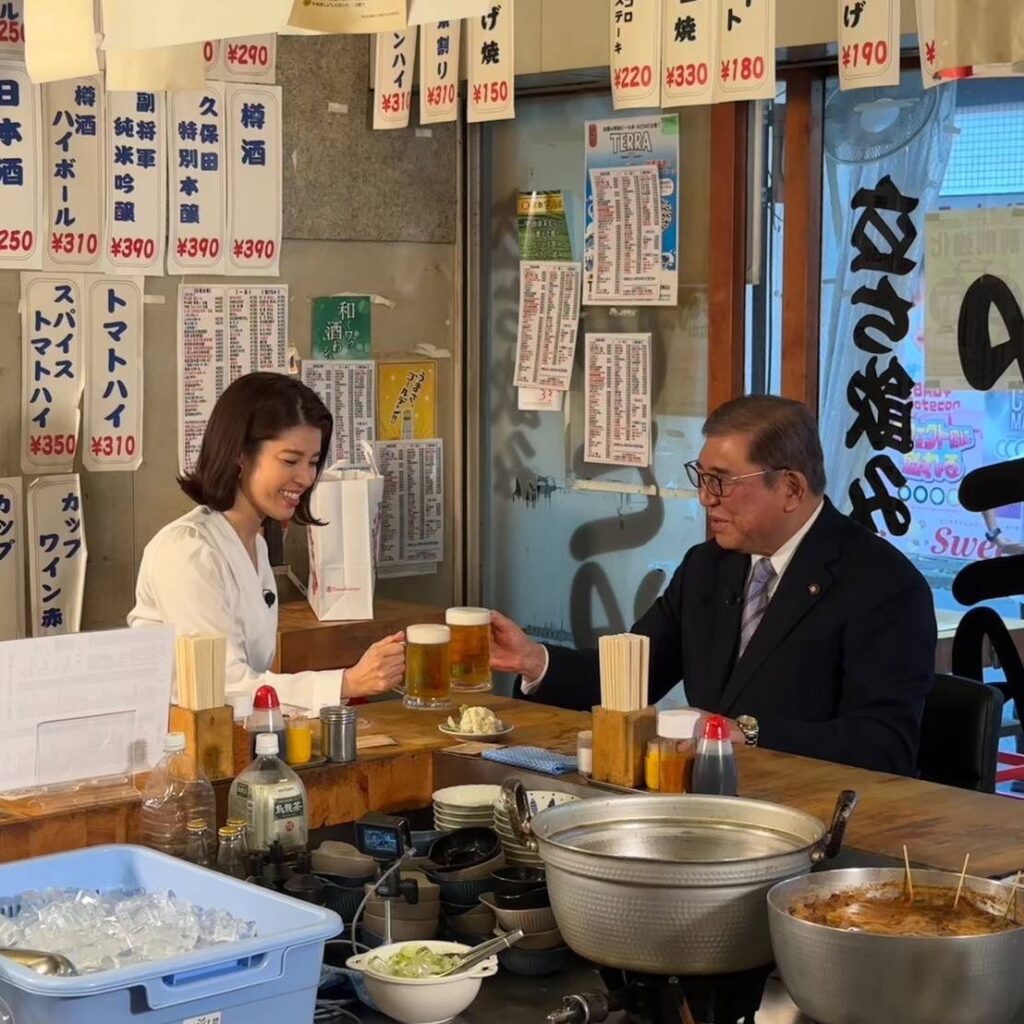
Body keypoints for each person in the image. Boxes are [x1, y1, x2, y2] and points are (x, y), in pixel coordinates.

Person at [491, 396, 938, 776]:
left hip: (816, 813)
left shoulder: (883, 585)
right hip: (707, 803)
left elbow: (885, 745)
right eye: (702, 477)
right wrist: (534, 661)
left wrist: (748, 733)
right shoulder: (708, 566)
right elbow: (632, 676)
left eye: (721, 481)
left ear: (791, 489)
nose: (705, 497)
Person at [129, 372, 405, 711]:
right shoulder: (186, 550)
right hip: (176, 736)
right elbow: (222, 686)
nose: (306, 478)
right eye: (290, 460)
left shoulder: (254, 545)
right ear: (240, 454)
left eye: (313, 462)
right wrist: (347, 682)